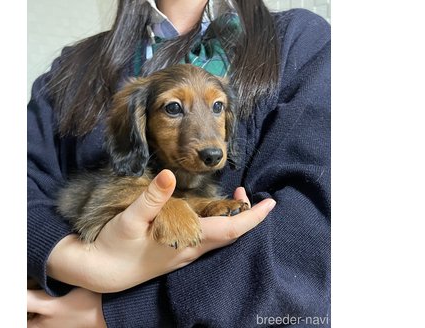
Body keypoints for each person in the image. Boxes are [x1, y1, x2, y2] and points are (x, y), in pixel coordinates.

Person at [27, 0, 331, 327]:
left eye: (217, 108)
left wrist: (110, 313)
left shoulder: (303, 43)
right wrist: (74, 260)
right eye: (172, 109)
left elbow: (311, 232)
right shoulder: (70, 69)